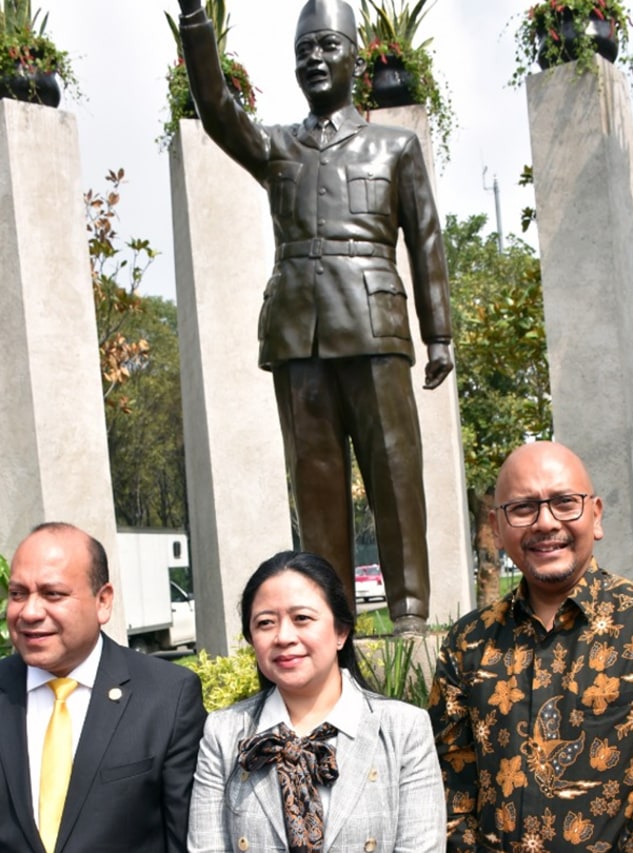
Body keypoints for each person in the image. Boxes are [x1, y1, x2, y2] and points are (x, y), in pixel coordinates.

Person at [176, 0, 454, 635]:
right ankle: (336, 621)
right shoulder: (278, 149)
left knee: (394, 470)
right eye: (305, 51)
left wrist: (438, 333)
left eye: (328, 46)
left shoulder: (395, 145)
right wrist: (196, 19)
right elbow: (217, 108)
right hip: (299, 336)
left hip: (376, 327)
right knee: (317, 483)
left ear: (355, 57)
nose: (315, 60)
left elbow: (428, 241)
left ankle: (410, 611)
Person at [428, 440, 633, 852]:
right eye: (523, 508)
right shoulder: (468, 643)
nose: (545, 522)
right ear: (496, 525)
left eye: (564, 502)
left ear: (595, 516)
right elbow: (448, 786)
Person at [187, 550, 446, 852]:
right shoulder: (224, 733)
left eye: (302, 619)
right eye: (265, 623)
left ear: (341, 631)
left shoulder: (404, 729)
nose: (284, 636)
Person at [0, 521, 207, 853]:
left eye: (52, 594)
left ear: (103, 601)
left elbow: (184, 839)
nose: (30, 612)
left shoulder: (167, 697)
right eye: (17, 594)